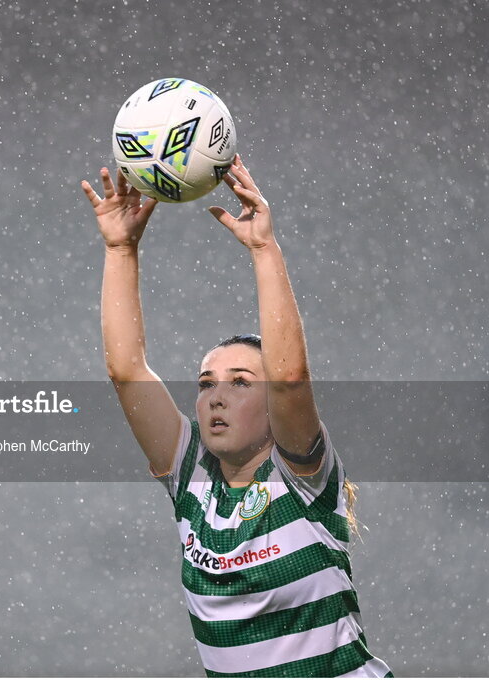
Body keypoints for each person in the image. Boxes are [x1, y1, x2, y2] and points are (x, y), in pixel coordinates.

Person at [81, 155, 392, 677]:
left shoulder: (302, 481)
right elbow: (126, 370)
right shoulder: (192, 478)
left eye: (241, 383)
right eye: (206, 385)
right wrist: (119, 248)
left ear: (274, 410)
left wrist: (264, 249)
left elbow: (291, 378)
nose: (216, 396)